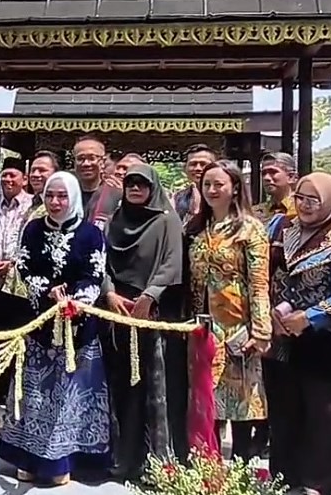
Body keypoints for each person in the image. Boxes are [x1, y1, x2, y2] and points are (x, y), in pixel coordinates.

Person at [0, 171, 110, 485]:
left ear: (72, 198)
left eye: (62, 196)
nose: (55, 202)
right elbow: (24, 266)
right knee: (35, 395)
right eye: (49, 195)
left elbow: (94, 274)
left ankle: (66, 460)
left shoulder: (90, 234)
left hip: (78, 328)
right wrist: (48, 290)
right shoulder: (34, 229)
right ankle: (28, 458)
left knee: (70, 397)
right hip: (40, 325)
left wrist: (75, 300)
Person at [264, 171, 331, 495]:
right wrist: (273, 310)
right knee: (284, 414)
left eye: (314, 200)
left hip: (327, 343)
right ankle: (284, 481)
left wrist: (311, 317)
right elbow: (266, 275)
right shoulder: (282, 228)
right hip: (282, 339)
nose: (306, 205)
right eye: (301, 198)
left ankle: (317, 484)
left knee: (324, 417)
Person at [101, 163, 185, 480]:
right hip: (117, 314)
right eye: (130, 184)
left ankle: (156, 463)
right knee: (121, 387)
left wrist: (150, 296)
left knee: (152, 388)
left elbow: (172, 262)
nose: (135, 189)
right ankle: (122, 457)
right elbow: (102, 262)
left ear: (153, 188)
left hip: (152, 314)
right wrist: (109, 293)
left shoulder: (166, 220)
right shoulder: (115, 221)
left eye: (142, 184)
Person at [185, 160, 271, 461]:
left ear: (234, 188)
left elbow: (259, 283)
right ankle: (208, 467)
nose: (211, 190)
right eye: (206, 184)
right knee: (206, 398)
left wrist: (260, 330)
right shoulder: (196, 228)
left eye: (218, 184)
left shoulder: (250, 229)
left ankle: (241, 469)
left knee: (240, 402)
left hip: (238, 326)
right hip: (203, 326)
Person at [0, 157, 33, 409]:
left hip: (20, 283)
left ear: (24, 179)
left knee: (19, 338)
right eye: (5, 175)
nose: (8, 179)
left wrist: (12, 263)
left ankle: (17, 390)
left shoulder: (32, 206)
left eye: (13, 175)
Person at [173, 144, 218, 224]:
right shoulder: (178, 198)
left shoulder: (224, 196)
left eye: (203, 164)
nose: (198, 168)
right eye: (193, 164)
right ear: (185, 168)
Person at [254, 152, 297, 224]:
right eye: (263, 173)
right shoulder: (255, 213)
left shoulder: (304, 210)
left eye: (273, 172)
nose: (266, 178)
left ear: (291, 177)